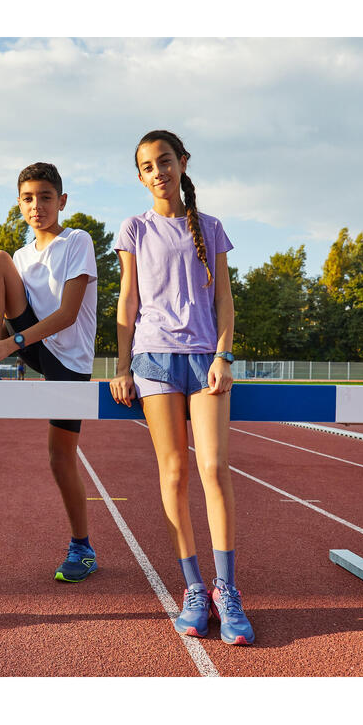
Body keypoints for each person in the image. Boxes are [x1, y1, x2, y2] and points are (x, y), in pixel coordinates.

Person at [109, 130, 254, 645]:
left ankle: (227, 589)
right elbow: (127, 302)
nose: (158, 172)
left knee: (214, 469)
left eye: (164, 161)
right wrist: (122, 365)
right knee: (173, 472)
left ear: (183, 163)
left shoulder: (210, 227)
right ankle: (193, 588)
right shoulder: (135, 229)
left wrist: (223, 354)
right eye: (147, 166)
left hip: (204, 363)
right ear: (141, 176)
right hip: (152, 360)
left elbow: (225, 302)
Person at [0, 162, 100, 582]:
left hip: (69, 361)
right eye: (28, 198)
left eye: (46, 197)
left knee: (59, 456)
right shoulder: (22, 256)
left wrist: (10, 344)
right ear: (19, 205)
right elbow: (12, 302)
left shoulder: (77, 241)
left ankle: (82, 548)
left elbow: (67, 314)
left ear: (61, 201)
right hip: (31, 346)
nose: (37, 206)